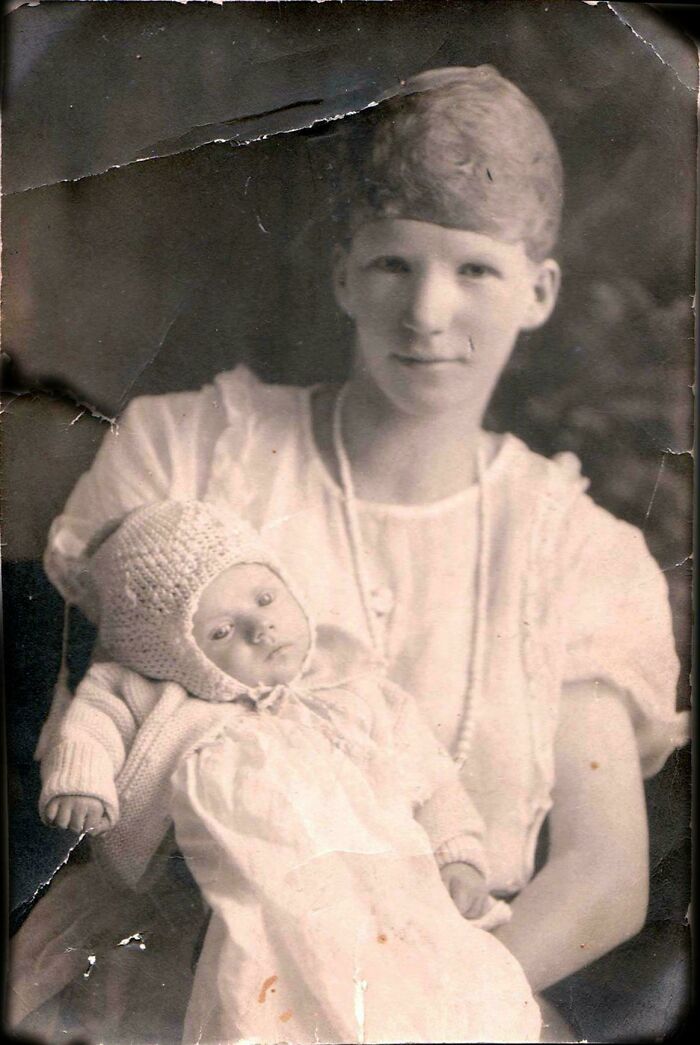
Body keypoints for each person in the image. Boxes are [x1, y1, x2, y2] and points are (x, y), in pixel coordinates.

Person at [12, 64, 688, 1041]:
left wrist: (414, 1004)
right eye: (392, 265)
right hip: (156, 972)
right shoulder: (192, 448)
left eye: (474, 270)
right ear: (342, 273)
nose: (426, 314)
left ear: (537, 292)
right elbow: (93, 751)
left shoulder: (577, 552)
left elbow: (602, 871)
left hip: (462, 994)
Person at [39, 499, 537, 1044]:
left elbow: (432, 778)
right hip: (234, 896)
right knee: (261, 987)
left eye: (265, 597)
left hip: (378, 888)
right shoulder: (155, 695)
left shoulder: (354, 694)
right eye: (222, 633)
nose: (262, 628)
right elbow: (93, 720)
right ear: (172, 655)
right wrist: (81, 780)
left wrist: (457, 854)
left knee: (414, 988)